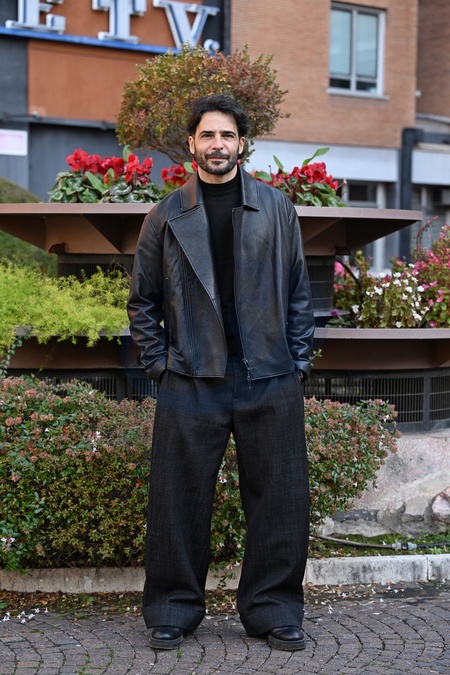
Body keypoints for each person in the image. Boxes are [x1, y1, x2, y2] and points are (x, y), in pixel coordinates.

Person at [127, 94, 315, 652]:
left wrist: (297, 361)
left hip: (269, 375)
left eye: (227, 135)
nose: (217, 145)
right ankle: (172, 609)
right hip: (190, 376)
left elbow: (299, 292)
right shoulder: (165, 215)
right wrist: (159, 363)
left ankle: (274, 609)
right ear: (191, 143)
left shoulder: (277, 208)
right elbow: (143, 301)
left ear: (241, 143)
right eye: (207, 135)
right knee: (176, 500)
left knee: (280, 500)